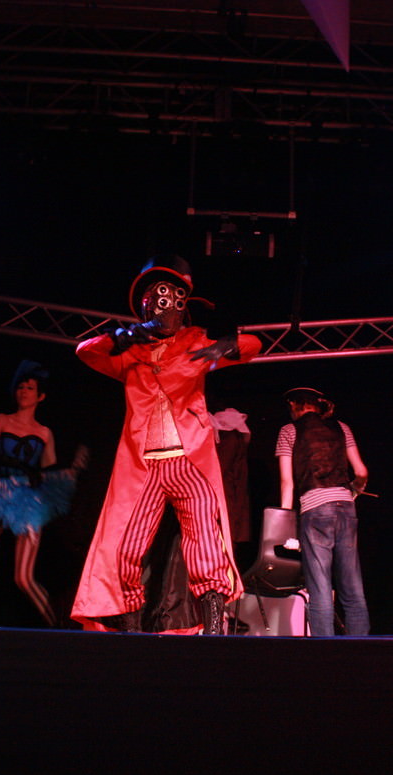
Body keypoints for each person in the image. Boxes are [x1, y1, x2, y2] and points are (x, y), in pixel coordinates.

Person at [71, 255, 261, 634]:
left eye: (174, 296)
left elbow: (253, 345)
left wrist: (224, 345)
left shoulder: (194, 342)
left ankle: (214, 629)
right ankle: (129, 629)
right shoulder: (129, 353)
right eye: (158, 296)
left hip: (188, 462)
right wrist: (122, 337)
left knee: (206, 541)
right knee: (127, 546)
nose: (166, 303)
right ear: (145, 306)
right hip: (145, 467)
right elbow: (85, 351)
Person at [0, 361, 84, 626]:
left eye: (29, 388)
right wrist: (19, 467)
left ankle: (60, 632)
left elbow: (48, 471)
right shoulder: (2, 419)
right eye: (20, 387)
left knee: (24, 578)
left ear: (40, 396)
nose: (23, 391)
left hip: (28, 501)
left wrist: (70, 472)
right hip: (0, 496)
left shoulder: (44, 432)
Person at [275, 387, 370, 637]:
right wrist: (355, 490)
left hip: (315, 509)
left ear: (294, 405)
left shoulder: (289, 431)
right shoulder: (342, 428)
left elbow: (287, 483)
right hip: (345, 507)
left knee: (320, 588)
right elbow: (361, 472)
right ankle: (362, 649)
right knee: (352, 587)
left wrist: (285, 520)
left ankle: (324, 651)